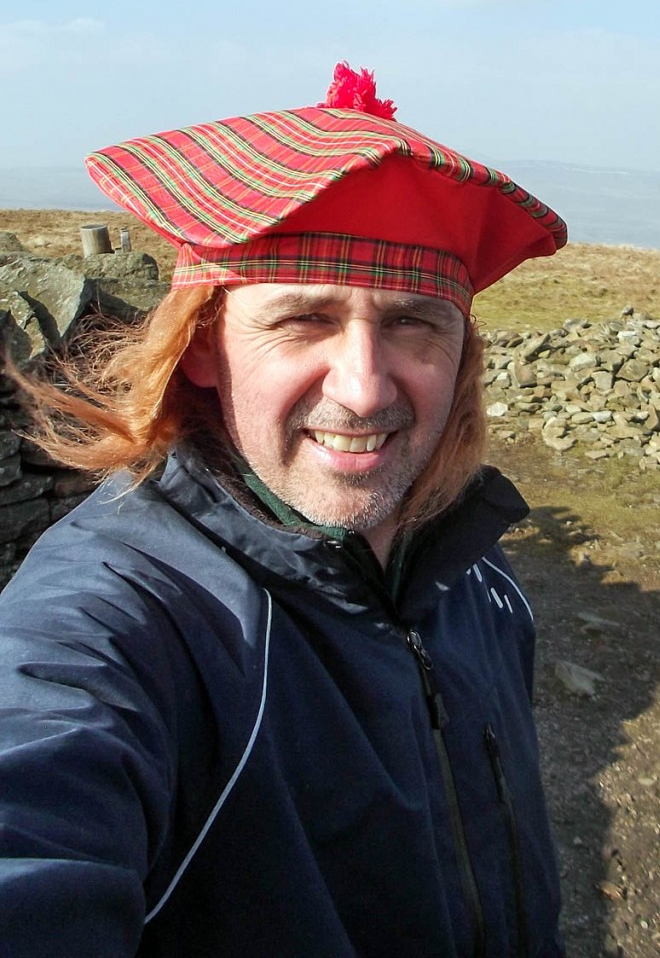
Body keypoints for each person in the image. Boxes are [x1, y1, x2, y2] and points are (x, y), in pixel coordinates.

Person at [0, 62, 567, 957]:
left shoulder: (479, 570)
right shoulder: (122, 617)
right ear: (202, 351)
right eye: (303, 319)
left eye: (417, 321)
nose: (365, 386)